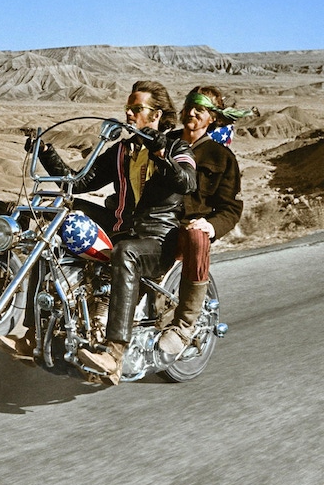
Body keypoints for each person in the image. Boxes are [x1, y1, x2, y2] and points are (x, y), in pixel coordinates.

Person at [15, 81, 197, 383]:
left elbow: (187, 182)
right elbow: (79, 181)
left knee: (125, 253)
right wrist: (45, 151)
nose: (128, 112)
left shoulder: (178, 147)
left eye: (137, 108)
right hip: (120, 227)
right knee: (55, 219)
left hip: (157, 239)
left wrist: (161, 153)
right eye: (129, 106)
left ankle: (114, 354)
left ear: (156, 115)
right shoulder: (122, 151)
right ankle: (33, 334)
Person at [158, 86, 247, 354]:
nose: (193, 112)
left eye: (201, 109)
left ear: (213, 118)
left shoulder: (222, 157)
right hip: (155, 221)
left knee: (198, 235)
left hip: (187, 230)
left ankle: (185, 326)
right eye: (190, 106)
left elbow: (230, 208)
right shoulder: (165, 143)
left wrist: (210, 225)